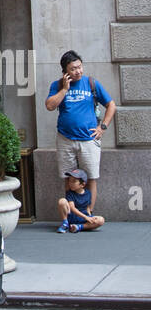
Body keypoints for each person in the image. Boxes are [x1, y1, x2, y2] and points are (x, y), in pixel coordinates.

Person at [45, 50, 115, 213]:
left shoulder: (91, 83)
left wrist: (102, 127)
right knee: (69, 178)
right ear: (65, 71)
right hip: (65, 139)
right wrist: (64, 89)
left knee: (91, 178)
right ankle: (71, 214)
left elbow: (111, 105)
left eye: (79, 67)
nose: (78, 71)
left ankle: (89, 212)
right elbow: (49, 106)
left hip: (89, 139)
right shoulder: (57, 85)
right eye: (73, 69)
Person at [57, 168, 105, 233]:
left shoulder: (88, 193)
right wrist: (85, 217)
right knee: (62, 201)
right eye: (70, 181)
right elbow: (72, 208)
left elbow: (87, 207)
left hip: (83, 217)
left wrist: (89, 217)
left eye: (74, 181)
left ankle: (78, 227)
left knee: (101, 220)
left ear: (82, 184)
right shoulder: (70, 193)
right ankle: (65, 224)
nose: (70, 183)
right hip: (72, 217)